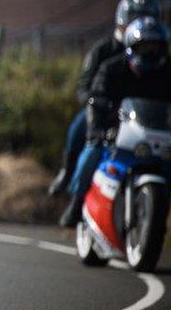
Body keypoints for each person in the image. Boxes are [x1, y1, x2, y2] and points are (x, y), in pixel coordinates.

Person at [49, 0, 161, 202]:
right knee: (79, 128)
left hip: (141, 118)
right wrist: (97, 106)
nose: (140, 22)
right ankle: (68, 174)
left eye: (146, 16)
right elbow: (85, 87)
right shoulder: (104, 51)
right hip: (104, 111)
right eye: (135, 17)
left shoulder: (157, 57)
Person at [60, 17, 171, 227]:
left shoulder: (167, 73)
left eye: (155, 48)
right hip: (118, 130)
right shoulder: (112, 68)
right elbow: (96, 98)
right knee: (92, 151)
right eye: (144, 47)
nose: (150, 53)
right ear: (131, 47)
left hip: (157, 137)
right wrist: (98, 129)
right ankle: (76, 202)